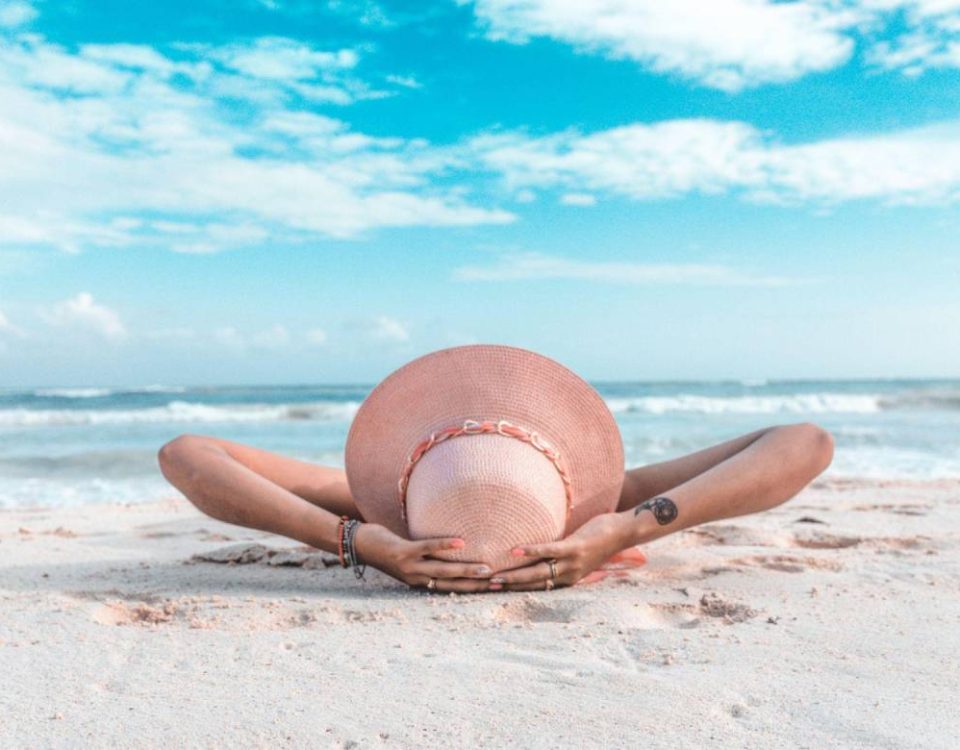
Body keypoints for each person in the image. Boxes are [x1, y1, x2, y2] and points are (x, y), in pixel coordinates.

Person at [157, 346, 834, 594]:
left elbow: (185, 454)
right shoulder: (605, 501)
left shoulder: (381, 508)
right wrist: (622, 529)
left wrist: (358, 539)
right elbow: (803, 440)